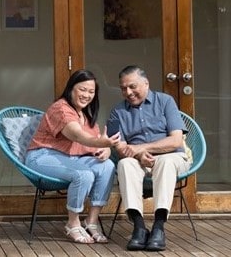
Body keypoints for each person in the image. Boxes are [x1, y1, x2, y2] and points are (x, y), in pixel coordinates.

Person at [25, 69, 121, 244]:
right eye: (82, 89)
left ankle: (91, 222)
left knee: (107, 166)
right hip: (42, 156)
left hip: (72, 159)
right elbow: (76, 135)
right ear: (71, 89)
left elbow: (96, 142)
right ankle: (72, 222)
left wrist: (106, 150)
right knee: (83, 174)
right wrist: (102, 143)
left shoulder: (85, 114)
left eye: (91, 92)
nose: (86, 95)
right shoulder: (60, 108)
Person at [107, 65, 191, 252]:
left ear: (146, 84)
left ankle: (159, 227)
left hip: (171, 156)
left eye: (132, 86)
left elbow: (175, 140)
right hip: (137, 160)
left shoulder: (165, 101)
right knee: (125, 164)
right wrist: (137, 154)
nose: (128, 92)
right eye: (123, 88)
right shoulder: (117, 112)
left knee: (166, 162)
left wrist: (141, 147)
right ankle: (138, 227)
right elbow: (119, 146)